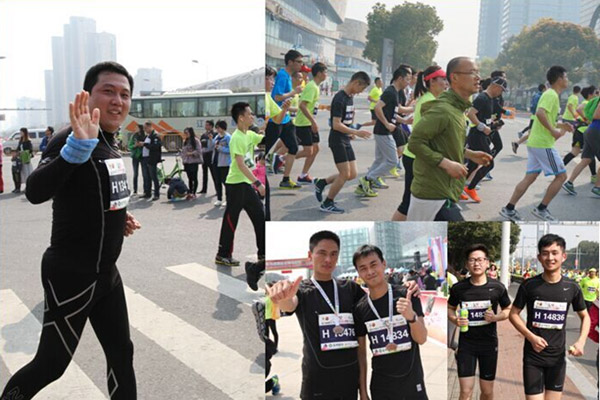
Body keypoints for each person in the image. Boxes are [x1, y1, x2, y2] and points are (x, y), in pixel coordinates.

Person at [0, 61, 140, 399]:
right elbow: (36, 191)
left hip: (106, 273)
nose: (117, 100)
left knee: (121, 352)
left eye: (124, 94)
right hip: (71, 274)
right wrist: (76, 150)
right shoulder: (71, 137)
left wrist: (119, 216)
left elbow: (94, 190)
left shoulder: (109, 139)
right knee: (51, 364)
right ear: (87, 96)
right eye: (108, 91)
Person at [266, 231, 367, 399]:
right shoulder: (303, 290)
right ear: (310, 255)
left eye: (333, 254)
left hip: (348, 381)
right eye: (322, 253)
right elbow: (290, 305)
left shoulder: (350, 288)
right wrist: (284, 298)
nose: (328, 259)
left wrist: (406, 288)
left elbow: (376, 302)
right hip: (316, 383)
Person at [406, 57, 493, 221]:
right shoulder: (443, 109)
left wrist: (469, 154)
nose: (478, 77)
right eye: (472, 72)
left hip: (445, 190)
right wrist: (446, 164)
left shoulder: (458, 109)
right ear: (454, 77)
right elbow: (415, 143)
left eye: (478, 72)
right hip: (433, 194)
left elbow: (443, 143)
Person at [509, 234, 590, 400]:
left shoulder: (572, 287)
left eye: (555, 253)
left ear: (563, 256)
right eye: (545, 253)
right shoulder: (529, 285)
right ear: (539, 257)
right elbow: (513, 314)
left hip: (557, 359)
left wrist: (581, 341)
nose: (550, 258)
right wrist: (531, 337)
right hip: (533, 357)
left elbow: (585, 317)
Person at [353, 244, 428, 400]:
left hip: (412, 383)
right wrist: (363, 392)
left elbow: (421, 338)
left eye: (373, 264)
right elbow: (361, 354)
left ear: (384, 264)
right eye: (363, 268)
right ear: (358, 273)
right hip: (381, 387)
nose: (370, 272)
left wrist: (411, 317)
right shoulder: (360, 309)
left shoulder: (407, 294)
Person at [500, 66, 574, 222]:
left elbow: (547, 118)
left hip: (535, 142)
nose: (568, 80)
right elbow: (540, 113)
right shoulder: (551, 95)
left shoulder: (551, 94)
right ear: (559, 79)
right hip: (543, 144)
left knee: (530, 177)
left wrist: (562, 126)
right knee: (561, 176)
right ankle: (541, 209)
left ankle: (509, 209)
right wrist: (553, 131)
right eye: (566, 77)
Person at [448, 244, 511, 400]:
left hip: (488, 344)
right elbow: (450, 308)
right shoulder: (458, 288)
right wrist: (455, 319)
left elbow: (508, 310)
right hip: (466, 345)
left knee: (487, 392)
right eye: (472, 260)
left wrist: (496, 317)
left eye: (480, 260)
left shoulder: (497, 287)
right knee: (465, 392)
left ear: (487, 262)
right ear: (467, 264)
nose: (476, 263)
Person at [392, 65, 447, 221]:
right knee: (408, 202)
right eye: (443, 79)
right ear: (432, 81)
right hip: (416, 157)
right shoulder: (429, 101)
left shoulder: (430, 99)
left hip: (417, 156)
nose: (446, 83)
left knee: (415, 202)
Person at [312, 72, 372, 214]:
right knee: (344, 174)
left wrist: (350, 132)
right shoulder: (339, 98)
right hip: (337, 140)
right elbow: (336, 124)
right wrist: (356, 132)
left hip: (345, 138)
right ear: (356, 82)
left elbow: (349, 116)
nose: (361, 92)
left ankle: (322, 182)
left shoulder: (350, 96)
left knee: (352, 174)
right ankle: (327, 203)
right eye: (362, 88)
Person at [215, 102, 265, 267]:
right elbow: (241, 164)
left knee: (260, 216)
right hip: (236, 184)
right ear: (241, 117)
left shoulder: (248, 134)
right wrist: (258, 183)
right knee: (231, 220)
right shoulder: (236, 137)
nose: (252, 116)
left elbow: (263, 138)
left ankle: (263, 253)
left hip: (245, 184)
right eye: (249, 114)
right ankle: (223, 254)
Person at [358, 65, 413, 196]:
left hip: (382, 131)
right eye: (407, 79)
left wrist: (404, 121)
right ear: (400, 78)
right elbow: (378, 107)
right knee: (392, 161)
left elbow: (393, 112)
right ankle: (368, 179)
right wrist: (387, 124)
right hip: (383, 131)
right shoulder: (390, 92)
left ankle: (363, 185)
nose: (408, 82)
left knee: (379, 159)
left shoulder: (395, 93)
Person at [463, 77, 508, 203]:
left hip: (483, 134)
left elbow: (488, 116)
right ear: (495, 86)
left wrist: (493, 124)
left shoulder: (491, 99)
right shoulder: (482, 98)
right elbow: (470, 113)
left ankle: (457, 188)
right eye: (501, 90)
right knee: (488, 162)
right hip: (477, 134)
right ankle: (470, 188)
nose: (501, 93)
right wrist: (481, 126)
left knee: (473, 165)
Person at [269, 49, 304, 189]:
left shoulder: (288, 76)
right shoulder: (283, 75)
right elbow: (276, 97)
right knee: (266, 147)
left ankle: (285, 179)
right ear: (290, 62)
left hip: (286, 119)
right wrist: (294, 92)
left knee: (293, 147)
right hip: (276, 119)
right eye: (299, 62)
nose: (301, 64)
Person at [293, 62, 328, 184]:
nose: (326, 75)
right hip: (304, 123)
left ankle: (303, 175)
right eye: (325, 72)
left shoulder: (315, 87)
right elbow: (302, 105)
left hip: (309, 122)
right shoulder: (312, 86)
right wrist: (313, 122)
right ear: (319, 73)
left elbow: (310, 105)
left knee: (315, 149)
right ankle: (282, 159)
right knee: (308, 151)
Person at [562, 89, 600, 197]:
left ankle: (569, 183)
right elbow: (597, 115)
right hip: (596, 131)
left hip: (590, 130)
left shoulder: (594, 100)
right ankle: (597, 187)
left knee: (586, 159)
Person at [514, 84, 547, 153]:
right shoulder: (541, 96)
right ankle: (519, 142)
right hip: (537, 116)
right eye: (546, 88)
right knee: (535, 133)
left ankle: (518, 142)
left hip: (534, 115)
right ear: (544, 89)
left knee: (532, 133)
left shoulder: (536, 95)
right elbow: (539, 107)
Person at [140, 121, 162, 200]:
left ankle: (156, 194)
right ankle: (147, 193)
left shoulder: (155, 135)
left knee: (154, 177)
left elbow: (155, 147)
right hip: (145, 158)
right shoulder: (148, 136)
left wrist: (144, 144)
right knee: (147, 177)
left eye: (146, 128)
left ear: (150, 127)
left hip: (152, 159)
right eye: (144, 128)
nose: (144, 130)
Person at [213, 120, 231, 207]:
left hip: (224, 163)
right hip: (215, 161)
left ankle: (228, 199)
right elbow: (213, 145)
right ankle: (219, 199)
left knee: (225, 182)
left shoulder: (228, 137)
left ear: (223, 128)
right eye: (216, 127)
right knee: (217, 181)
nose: (217, 129)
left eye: (218, 127)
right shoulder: (217, 136)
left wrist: (221, 148)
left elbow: (231, 150)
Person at [181, 127, 202, 199]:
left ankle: (194, 193)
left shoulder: (196, 141)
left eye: (187, 133)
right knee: (189, 178)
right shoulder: (185, 141)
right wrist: (183, 158)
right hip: (186, 162)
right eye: (185, 133)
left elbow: (199, 151)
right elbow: (183, 151)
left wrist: (191, 153)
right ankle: (190, 192)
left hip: (193, 161)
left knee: (194, 177)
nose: (186, 134)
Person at [199, 120, 217, 194]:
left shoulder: (214, 134)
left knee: (214, 173)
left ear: (211, 126)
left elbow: (215, 144)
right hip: (204, 155)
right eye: (205, 125)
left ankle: (217, 190)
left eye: (207, 125)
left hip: (211, 155)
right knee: (204, 173)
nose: (206, 126)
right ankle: (204, 189)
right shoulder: (203, 135)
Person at [127, 124, 145, 195]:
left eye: (137, 128)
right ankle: (135, 190)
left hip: (143, 156)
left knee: (145, 174)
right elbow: (129, 146)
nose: (135, 129)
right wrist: (135, 145)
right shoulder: (134, 136)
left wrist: (142, 144)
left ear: (140, 129)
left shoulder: (145, 136)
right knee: (135, 174)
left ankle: (145, 190)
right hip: (135, 156)